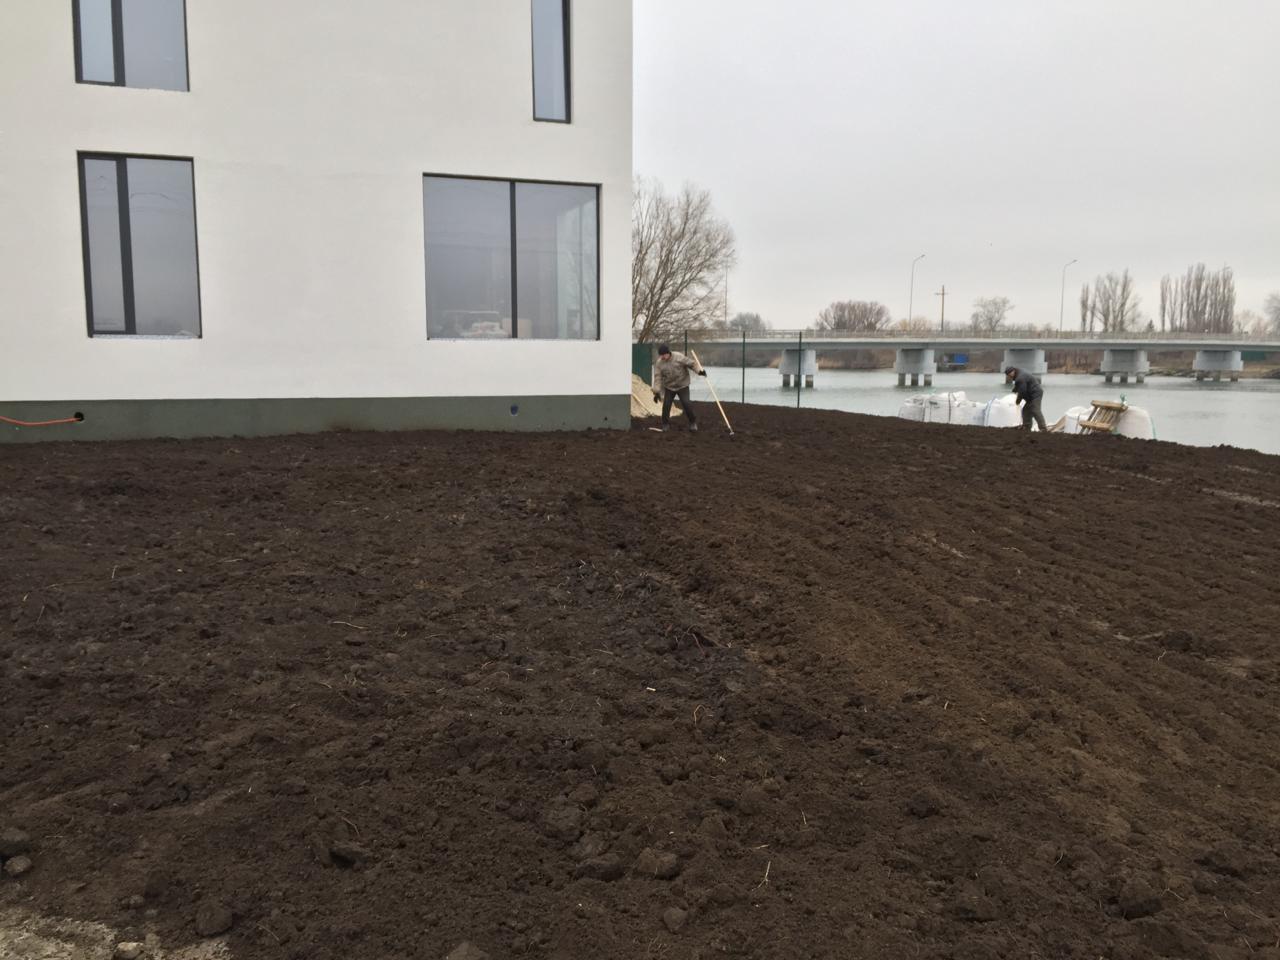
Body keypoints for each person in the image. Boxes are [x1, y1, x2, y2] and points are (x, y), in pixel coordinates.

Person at [652, 343, 706, 431]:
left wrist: (699, 371)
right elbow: (657, 377)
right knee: (666, 405)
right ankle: (665, 424)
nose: (662, 357)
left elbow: (692, 364)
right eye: (660, 355)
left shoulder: (678, 357)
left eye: (663, 355)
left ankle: (692, 423)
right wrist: (656, 392)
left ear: (668, 353)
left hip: (682, 385)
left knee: (686, 403)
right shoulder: (659, 363)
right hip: (669, 387)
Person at [1005, 366, 1047, 431]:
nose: (1009, 376)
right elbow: (1019, 384)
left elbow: (1022, 391)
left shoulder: (1020, 377)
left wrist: (1018, 401)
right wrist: (1014, 390)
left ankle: (1043, 428)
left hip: (1036, 393)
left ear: (1013, 371)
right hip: (1030, 395)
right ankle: (1027, 427)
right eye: (1008, 375)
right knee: (1026, 411)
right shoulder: (1018, 373)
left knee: (1035, 410)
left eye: (1010, 374)